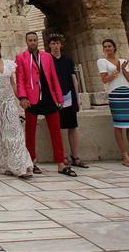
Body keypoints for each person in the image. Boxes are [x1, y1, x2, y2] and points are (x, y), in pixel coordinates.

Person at [16, 32, 74, 177]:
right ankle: (32, 161)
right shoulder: (21, 57)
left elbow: (53, 77)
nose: (33, 42)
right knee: (30, 132)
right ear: (26, 42)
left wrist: (59, 97)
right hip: (32, 98)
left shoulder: (47, 57)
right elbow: (20, 79)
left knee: (56, 132)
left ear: (38, 41)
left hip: (49, 97)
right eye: (30, 40)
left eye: (35, 40)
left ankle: (61, 163)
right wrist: (22, 97)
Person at [0, 37, 33, 178]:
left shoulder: (9, 63)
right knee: (1, 135)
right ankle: (6, 165)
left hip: (9, 101)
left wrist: (21, 98)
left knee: (14, 133)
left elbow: (13, 84)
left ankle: (21, 166)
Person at [97, 38, 129, 168]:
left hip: (126, 91)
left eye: (110, 46)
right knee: (119, 124)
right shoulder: (102, 61)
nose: (108, 48)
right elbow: (104, 80)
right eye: (105, 47)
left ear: (114, 47)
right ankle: (124, 155)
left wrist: (124, 69)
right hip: (115, 92)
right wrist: (116, 71)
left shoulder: (122, 61)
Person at [49, 34, 88, 169]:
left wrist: (77, 97)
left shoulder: (68, 60)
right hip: (55, 99)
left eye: (57, 43)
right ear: (49, 45)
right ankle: (62, 156)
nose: (55, 46)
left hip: (69, 96)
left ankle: (75, 156)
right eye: (53, 43)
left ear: (61, 45)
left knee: (72, 127)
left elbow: (74, 79)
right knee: (58, 128)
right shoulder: (48, 61)